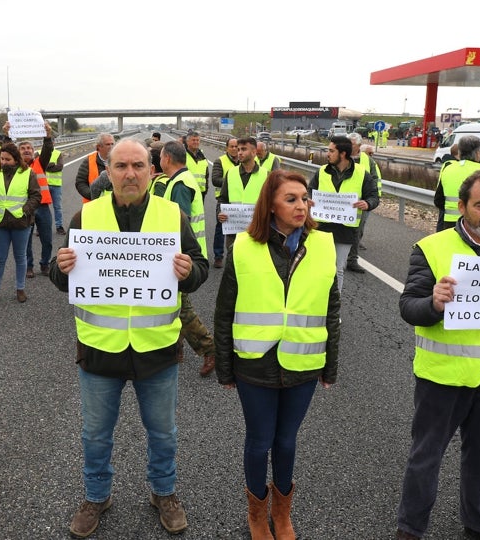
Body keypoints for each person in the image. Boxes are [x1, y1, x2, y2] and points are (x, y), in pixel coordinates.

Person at [50, 139, 208, 537]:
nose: (130, 174)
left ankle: (164, 492)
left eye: (138, 165)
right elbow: (62, 277)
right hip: (100, 351)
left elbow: (201, 269)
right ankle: (96, 496)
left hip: (157, 350)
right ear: (108, 171)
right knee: (95, 435)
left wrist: (188, 271)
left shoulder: (172, 216)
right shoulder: (85, 218)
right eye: (121, 166)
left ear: (151, 171)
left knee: (163, 433)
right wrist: (60, 266)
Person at [214, 169, 339, 540]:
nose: (301, 205)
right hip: (256, 363)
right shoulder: (243, 247)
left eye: (304, 198)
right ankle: (257, 513)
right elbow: (225, 310)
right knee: (259, 440)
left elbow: (332, 309)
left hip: (303, 360)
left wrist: (330, 366)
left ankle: (282, 513)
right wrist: (225, 368)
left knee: (287, 441)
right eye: (291, 199)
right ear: (270, 205)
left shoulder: (323, 245)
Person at [395, 169, 480, 540]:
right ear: (462, 207)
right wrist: (433, 303)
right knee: (426, 458)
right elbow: (408, 307)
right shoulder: (433, 248)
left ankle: (479, 523)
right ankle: (410, 529)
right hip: (442, 377)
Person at [157, 140, 217, 377]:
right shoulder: (180, 179)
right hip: (183, 256)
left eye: (160, 157)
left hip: (181, 258)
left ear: (168, 159)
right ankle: (176, 348)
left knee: (180, 308)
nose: (159, 161)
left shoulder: (180, 184)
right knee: (174, 304)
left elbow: (176, 224)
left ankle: (209, 349)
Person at [308, 136, 379, 293]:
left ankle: (334, 308)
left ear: (343, 154)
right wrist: (307, 199)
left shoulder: (362, 174)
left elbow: (374, 196)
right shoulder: (321, 172)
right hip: (321, 228)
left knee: (338, 269)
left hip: (345, 230)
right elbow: (310, 190)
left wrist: (368, 204)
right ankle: (318, 303)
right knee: (319, 268)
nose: (328, 154)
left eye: (331, 151)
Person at [0, 142, 41, 305]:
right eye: (1, 159)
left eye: (7, 159)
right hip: (0, 222)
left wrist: (25, 211)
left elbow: (36, 196)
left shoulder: (28, 173)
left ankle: (20, 289)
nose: (3, 162)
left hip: (21, 223)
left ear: (16, 159)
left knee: (20, 257)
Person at [217, 136, 268, 253]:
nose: (239, 152)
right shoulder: (231, 173)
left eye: (243, 149)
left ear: (254, 152)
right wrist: (219, 213)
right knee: (233, 264)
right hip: (234, 232)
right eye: (238, 149)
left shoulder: (266, 175)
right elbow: (223, 198)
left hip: (256, 230)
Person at [346, 133, 382, 272]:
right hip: (342, 204)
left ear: (359, 146)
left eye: (352, 144)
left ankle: (352, 260)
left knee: (357, 230)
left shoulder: (368, 162)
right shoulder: (341, 157)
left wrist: (371, 201)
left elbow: (375, 181)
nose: (349, 147)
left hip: (360, 203)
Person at [433, 136, 480, 232]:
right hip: (475, 224)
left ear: (460, 153)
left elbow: (438, 200)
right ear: (477, 153)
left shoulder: (447, 168)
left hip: (449, 223)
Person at [19, 139, 54, 277]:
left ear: (33, 151)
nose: (26, 150)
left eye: (29, 148)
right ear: (18, 152)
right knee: (26, 240)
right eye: (23, 148)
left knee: (47, 239)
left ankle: (45, 264)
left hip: (43, 206)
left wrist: (48, 136)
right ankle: (29, 266)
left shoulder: (40, 162)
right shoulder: (16, 167)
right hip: (26, 207)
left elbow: (47, 149)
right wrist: (7, 136)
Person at [211, 137, 239, 269]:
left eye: (236, 147)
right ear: (227, 148)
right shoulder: (219, 161)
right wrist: (233, 181)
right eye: (231, 146)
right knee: (221, 228)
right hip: (224, 200)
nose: (234, 149)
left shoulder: (244, 161)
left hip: (242, 202)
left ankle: (237, 255)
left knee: (240, 230)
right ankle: (218, 256)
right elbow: (215, 180)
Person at [75, 133, 115, 202]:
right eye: (108, 144)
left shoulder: (120, 160)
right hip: (93, 204)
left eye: (112, 144)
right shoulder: (89, 161)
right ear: (99, 146)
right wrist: (92, 195)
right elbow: (80, 182)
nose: (111, 147)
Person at [45, 146, 66, 234]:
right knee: (42, 208)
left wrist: (47, 166)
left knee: (57, 207)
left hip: (56, 184)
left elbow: (60, 167)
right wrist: (52, 164)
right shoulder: (39, 153)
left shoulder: (58, 153)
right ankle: (41, 227)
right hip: (43, 185)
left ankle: (59, 226)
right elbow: (38, 166)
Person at [184, 131, 210, 200]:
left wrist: (205, 189)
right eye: (193, 140)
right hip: (187, 192)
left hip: (201, 193)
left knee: (200, 211)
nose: (196, 142)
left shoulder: (202, 156)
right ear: (187, 142)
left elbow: (206, 175)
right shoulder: (182, 155)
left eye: (197, 140)